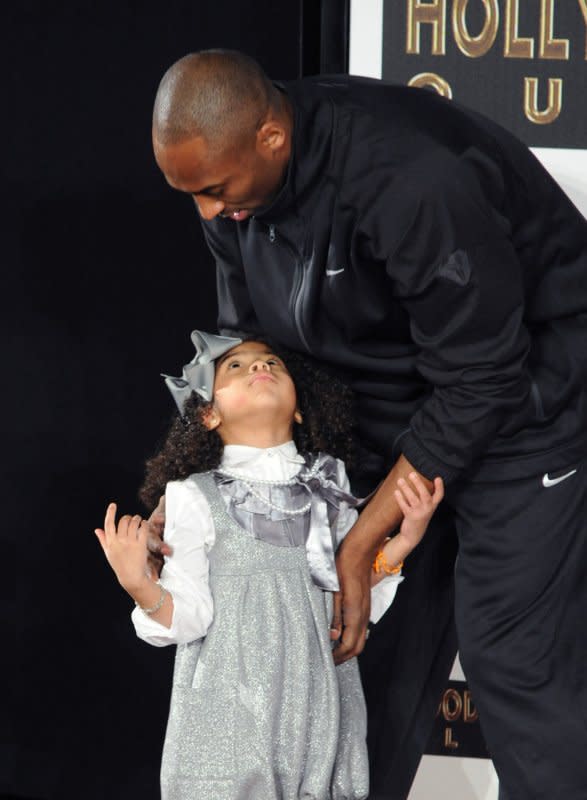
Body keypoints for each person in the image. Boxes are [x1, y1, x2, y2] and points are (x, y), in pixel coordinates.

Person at [150, 51, 587, 799]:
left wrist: (361, 538)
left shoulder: (410, 178)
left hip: (524, 409)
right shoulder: (234, 194)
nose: (205, 212)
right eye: (187, 193)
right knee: (344, 649)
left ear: (271, 139)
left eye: (213, 190)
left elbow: (482, 376)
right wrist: (193, 479)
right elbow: (249, 341)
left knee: (514, 664)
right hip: (382, 413)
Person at [95, 332, 444, 800]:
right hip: (231, 717)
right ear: (208, 413)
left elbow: (350, 592)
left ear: (299, 407)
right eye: (235, 368)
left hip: (319, 711)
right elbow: (192, 616)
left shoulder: (329, 484)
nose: (259, 368)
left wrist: (404, 539)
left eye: (272, 363)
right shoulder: (194, 496)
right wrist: (139, 584)